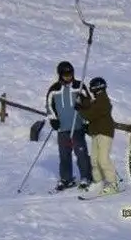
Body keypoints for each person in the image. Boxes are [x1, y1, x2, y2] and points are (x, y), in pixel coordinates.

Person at [45, 60, 94, 191]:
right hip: (62, 128)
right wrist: (53, 120)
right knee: (64, 155)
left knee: (81, 153)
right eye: (65, 74)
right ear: (60, 74)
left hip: (77, 126)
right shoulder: (54, 89)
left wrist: (86, 118)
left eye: (70, 73)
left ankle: (86, 177)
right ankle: (66, 179)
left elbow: (89, 104)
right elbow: (49, 106)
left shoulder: (79, 86)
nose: (68, 76)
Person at [76, 77, 119, 195]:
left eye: (91, 88)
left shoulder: (103, 100)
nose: (91, 90)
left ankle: (113, 184)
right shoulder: (98, 100)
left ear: (96, 88)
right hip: (96, 133)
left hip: (105, 133)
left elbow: (91, 113)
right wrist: (82, 100)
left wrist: (80, 109)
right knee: (94, 160)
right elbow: (91, 106)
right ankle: (98, 182)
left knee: (103, 160)